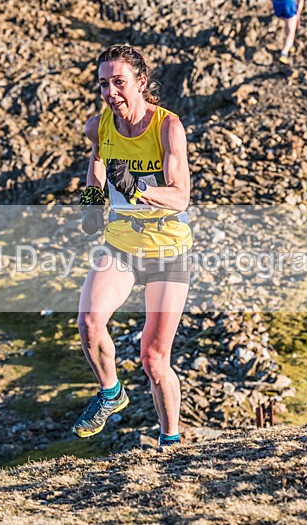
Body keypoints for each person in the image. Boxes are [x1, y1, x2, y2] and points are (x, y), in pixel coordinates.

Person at [75, 44, 193, 448]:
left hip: (167, 248)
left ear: (141, 82)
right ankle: (111, 394)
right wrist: (93, 200)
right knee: (89, 323)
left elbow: (181, 197)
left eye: (119, 82)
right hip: (122, 243)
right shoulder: (99, 125)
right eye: (104, 84)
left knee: (154, 357)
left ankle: (170, 440)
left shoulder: (167, 127)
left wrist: (139, 189)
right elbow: (97, 161)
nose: (111, 92)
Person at [271, 0, 304, 65]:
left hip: (277, 3)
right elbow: (300, 0)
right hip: (289, 2)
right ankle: (284, 53)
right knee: (291, 31)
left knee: (287, 23)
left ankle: (290, 45)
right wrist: (298, 15)